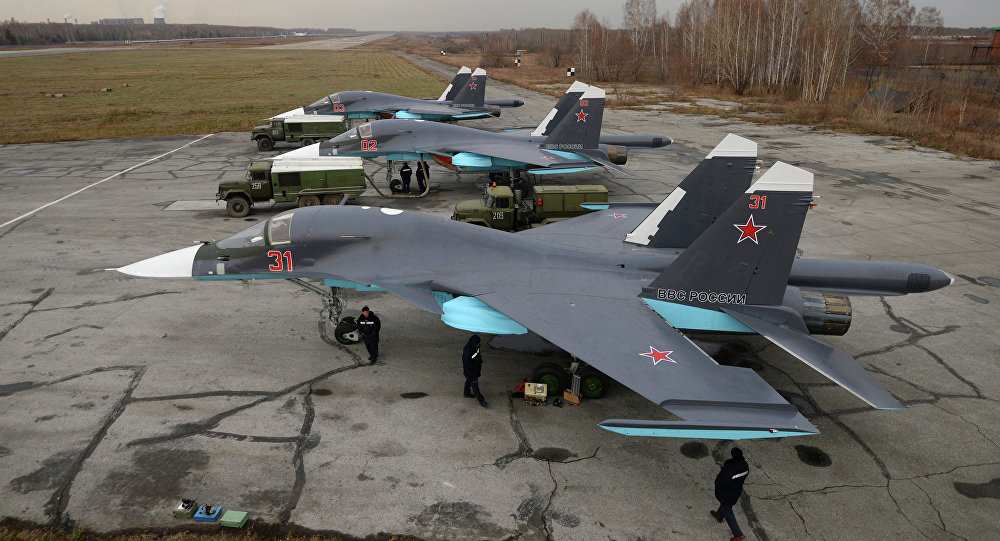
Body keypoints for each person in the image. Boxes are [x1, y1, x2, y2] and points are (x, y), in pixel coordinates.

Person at [711, 447, 750, 541]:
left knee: (728, 510)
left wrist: (719, 490)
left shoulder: (730, 468)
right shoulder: (745, 465)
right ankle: (719, 516)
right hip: (736, 491)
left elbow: (720, 481)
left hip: (727, 493)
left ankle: (738, 535)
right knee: (725, 505)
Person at [461, 334, 488, 407]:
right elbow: (469, 362)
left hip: (470, 371)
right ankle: (482, 401)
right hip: (472, 372)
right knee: (475, 387)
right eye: (477, 343)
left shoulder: (472, 347)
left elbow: (476, 355)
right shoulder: (469, 351)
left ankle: (466, 393)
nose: (478, 345)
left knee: (468, 381)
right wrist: (474, 373)